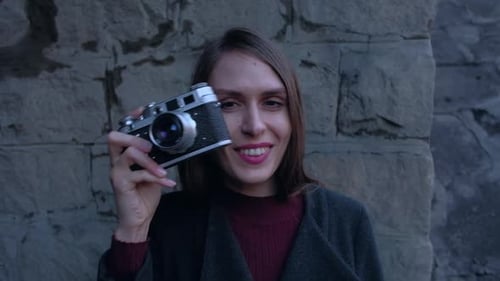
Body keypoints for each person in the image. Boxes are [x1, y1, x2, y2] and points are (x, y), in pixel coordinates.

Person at [97, 27, 384, 281]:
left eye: (272, 102)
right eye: (229, 104)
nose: (255, 126)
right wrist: (133, 232)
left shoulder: (346, 222)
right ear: (197, 119)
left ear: (293, 116)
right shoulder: (166, 225)